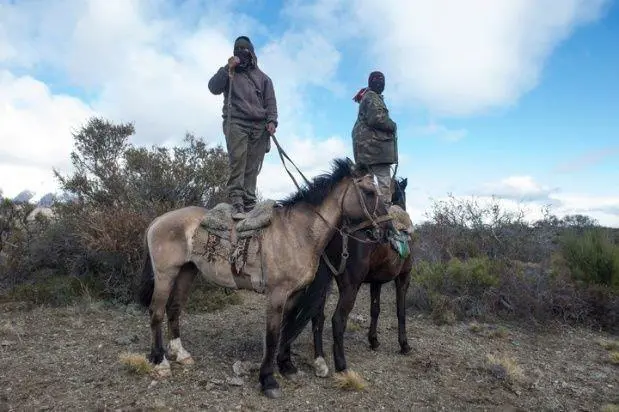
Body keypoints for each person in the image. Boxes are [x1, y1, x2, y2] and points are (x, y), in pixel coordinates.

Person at [208, 36, 278, 219]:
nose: (240, 52)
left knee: (252, 166)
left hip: (259, 127)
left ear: (252, 53)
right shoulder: (229, 72)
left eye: (244, 50)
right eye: (237, 49)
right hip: (236, 122)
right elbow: (213, 88)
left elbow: (271, 103)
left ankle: (249, 201)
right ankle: (237, 200)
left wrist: (272, 122)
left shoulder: (264, 79)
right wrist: (227, 68)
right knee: (238, 160)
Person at [351, 71, 397, 207]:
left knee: (365, 183)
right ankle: (384, 215)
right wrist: (393, 125)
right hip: (376, 151)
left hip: (365, 151)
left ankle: (364, 211)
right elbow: (377, 119)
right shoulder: (372, 97)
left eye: (382, 79)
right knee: (383, 183)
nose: (381, 82)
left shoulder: (367, 97)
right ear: (371, 82)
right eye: (378, 79)